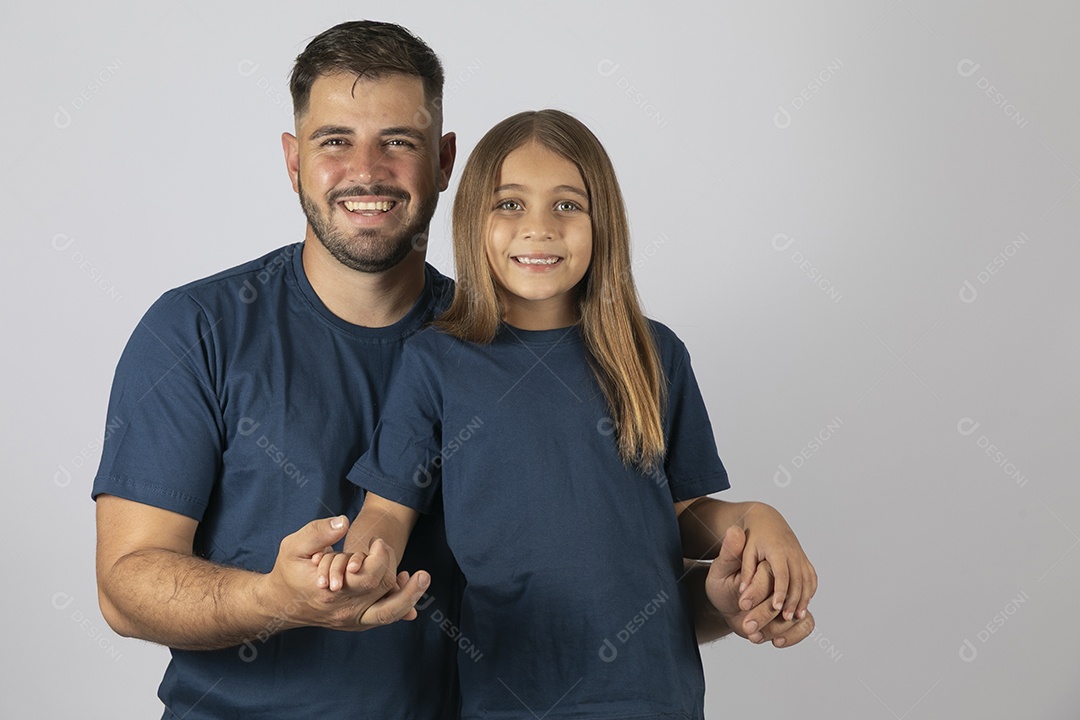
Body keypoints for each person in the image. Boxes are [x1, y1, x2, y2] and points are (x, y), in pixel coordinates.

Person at [92, 20, 815, 720]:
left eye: (397, 142)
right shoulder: (198, 330)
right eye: (335, 141)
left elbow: (630, 570)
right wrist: (279, 599)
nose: (367, 170)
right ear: (293, 160)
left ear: (443, 162)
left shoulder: (512, 341)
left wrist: (731, 587)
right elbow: (126, 589)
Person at [317, 109, 816, 719]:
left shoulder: (653, 353)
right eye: (509, 205)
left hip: (656, 695)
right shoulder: (436, 362)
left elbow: (681, 515)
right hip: (509, 697)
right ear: (474, 219)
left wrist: (755, 517)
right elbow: (388, 513)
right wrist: (360, 567)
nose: (538, 229)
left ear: (602, 221)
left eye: (566, 206)